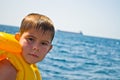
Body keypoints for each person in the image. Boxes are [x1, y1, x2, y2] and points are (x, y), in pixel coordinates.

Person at [0, 13, 55, 80]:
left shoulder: (31, 69)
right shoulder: (8, 69)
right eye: (30, 39)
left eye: (43, 43)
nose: (36, 47)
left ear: (49, 49)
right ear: (18, 38)